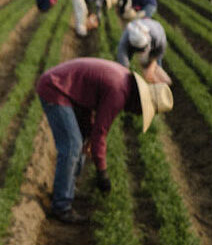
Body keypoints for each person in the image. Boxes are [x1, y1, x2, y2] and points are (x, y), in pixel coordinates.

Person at [36, 58, 174, 223]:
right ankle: (61, 206)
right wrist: (102, 173)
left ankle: (65, 189)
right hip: (55, 88)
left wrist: (88, 133)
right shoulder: (118, 92)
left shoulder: (124, 81)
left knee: (80, 142)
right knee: (72, 146)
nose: (137, 114)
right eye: (142, 111)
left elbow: (87, 101)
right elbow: (100, 133)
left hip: (66, 89)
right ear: (140, 102)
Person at [116, 18, 172, 85]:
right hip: (136, 39)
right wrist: (125, 72)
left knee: (154, 66)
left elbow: (159, 53)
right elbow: (122, 56)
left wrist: (151, 66)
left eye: (142, 49)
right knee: (124, 67)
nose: (140, 53)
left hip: (156, 36)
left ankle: (159, 85)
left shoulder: (157, 37)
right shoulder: (126, 39)